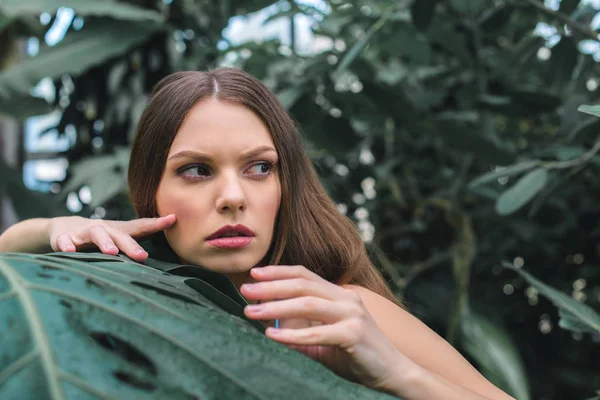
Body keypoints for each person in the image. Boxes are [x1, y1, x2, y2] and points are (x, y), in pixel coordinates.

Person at [0, 68, 515, 400]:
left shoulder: (336, 311)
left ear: (285, 184)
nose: (232, 197)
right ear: (148, 190)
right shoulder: (105, 299)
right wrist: (45, 230)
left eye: (259, 168)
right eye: (197, 170)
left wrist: (396, 373)